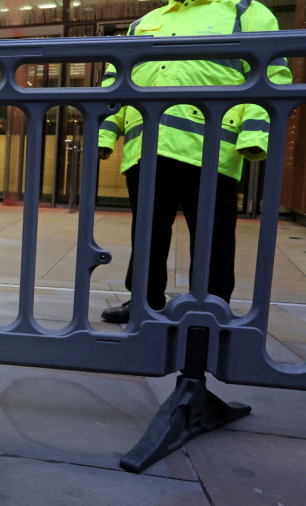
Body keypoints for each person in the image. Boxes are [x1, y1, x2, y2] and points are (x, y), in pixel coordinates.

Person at [97, 0, 292, 323]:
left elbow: (271, 74)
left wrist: (255, 134)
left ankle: (210, 307)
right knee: (147, 233)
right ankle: (144, 302)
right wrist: (106, 132)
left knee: (213, 235)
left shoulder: (245, 11)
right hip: (146, 146)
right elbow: (115, 81)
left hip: (210, 148)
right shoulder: (146, 21)